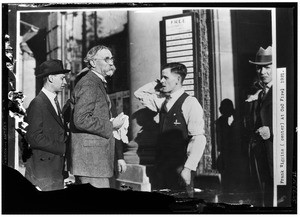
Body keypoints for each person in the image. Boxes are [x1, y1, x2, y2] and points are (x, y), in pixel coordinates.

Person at [134, 62, 206, 192]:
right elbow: (139, 93)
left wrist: (188, 169)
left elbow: (198, 138)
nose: (162, 81)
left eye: (165, 77)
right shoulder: (163, 102)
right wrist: (157, 84)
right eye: (161, 77)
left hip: (180, 168)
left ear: (178, 79)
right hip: (162, 167)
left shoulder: (190, 103)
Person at [69, 45, 126, 188]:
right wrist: (111, 124)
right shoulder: (89, 83)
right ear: (93, 63)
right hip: (91, 162)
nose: (111, 63)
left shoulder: (96, 82)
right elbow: (80, 120)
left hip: (94, 160)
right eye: (106, 59)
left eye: (111, 59)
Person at [25, 59, 70, 191]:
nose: (65, 82)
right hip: (43, 172)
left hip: (54, 169)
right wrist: (63, 148)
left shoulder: (52, 101)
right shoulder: (38, 103)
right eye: (62, 78)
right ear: (50, 78)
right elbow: (34, 138)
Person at [245, 46, 273, 206]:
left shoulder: (287, 90)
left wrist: (273, 131)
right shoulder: (261, 92)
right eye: (259, 68)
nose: (262, 72)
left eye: (267, 67)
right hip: (259, 155)